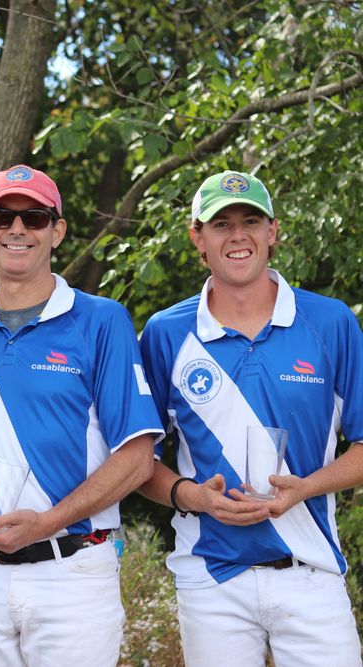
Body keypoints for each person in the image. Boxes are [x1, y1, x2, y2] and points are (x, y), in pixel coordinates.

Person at [0, 164, 163, 666]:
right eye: (2, 216)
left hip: (72, 573)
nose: (17, 229)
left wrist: (47, 523)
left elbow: (139, 458)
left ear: (57, 231)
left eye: (34, 217)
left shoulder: (102, 320)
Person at [137, 170, 363, 667]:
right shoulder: (165, 333)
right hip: (210, 574)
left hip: (311, 567)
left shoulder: (331, 322)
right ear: (198, 237)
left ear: (272, 231)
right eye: (221, 224)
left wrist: (304, 487)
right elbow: (137, 463)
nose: (238, 235)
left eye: (250, 221)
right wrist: (193, 497)